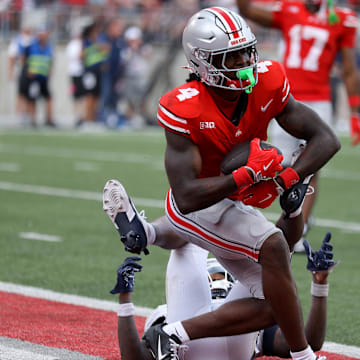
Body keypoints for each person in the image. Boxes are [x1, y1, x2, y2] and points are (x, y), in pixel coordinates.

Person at [104, 6, 341, 359]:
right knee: (274, 246)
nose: (245, 62)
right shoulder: (185, 107)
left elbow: (326, 139)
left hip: (235, 199)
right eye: (232, 57)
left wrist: (288, 180)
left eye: (247, 51)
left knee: (279, 299)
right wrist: (247, 175)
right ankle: (304, 357)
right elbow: (185, 197)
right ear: (202, 62)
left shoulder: (267, 81)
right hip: (197, 206)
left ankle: (171, 331)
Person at [236, 0, 360, 251]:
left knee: (311, 165)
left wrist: (355, 109)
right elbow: (247, 10)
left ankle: (298, 228)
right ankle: (264, 220)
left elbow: (348, 68)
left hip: (318, 100)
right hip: (286, 98)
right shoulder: (289, 9)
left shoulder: (341, 19)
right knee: (277, 162)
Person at [110, 233, 337, 360]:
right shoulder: (250, 314)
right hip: (222, 342)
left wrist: (125, 300)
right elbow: (307, 343)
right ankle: (290, 215)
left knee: (188, 242)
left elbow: (306, 342)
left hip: (199, 340)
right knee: (271, 278)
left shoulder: (171, 310)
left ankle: (151, 230)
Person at [20, 25, 56, 127]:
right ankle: (33, 120)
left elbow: (50, 60)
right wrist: (27, 70)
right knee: (32, 98)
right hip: (33, 78)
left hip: (43, 77)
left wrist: (50, 70)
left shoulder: (49, 47)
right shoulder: (31, 46)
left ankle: (49, 119)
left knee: (48, 97)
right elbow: (23, 59)